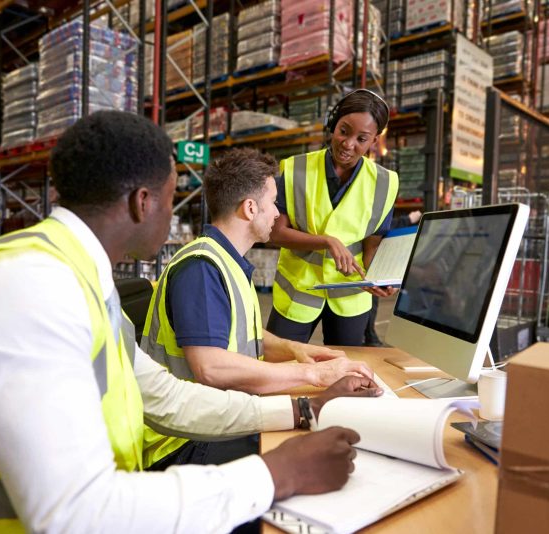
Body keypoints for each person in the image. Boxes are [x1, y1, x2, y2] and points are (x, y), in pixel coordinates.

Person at [0, 111, 383, 533]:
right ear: (142, 202)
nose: (175, 210)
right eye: (170, 196)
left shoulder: (82, 277)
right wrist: (274, 475)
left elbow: (164, 396)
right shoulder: (25, 287)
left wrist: (302, 409)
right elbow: (73, 513)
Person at [141, 147, 374, 467]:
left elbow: (242, 334)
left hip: (217, 421)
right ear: (250, 208)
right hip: (184, 442)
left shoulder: (225, 261)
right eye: (272, 203)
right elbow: (211, 367)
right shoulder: (201, 268)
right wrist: (313, 374)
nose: (278, 213)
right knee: (324, 448)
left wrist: (295, 350)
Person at [268, 89, 399, 346]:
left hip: (350, 295)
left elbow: (373, 239)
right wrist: (326, 241)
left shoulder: (386, 182)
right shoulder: (294, 168)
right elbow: (275, 233)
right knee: (276, 362)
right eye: (343, 131)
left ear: (374, 141)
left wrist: (377, 276)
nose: (349, 144)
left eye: (361, 138)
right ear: (333, 125)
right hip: (298, 290)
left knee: (345, 372)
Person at [362, 209, 422, 346]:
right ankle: (370, 336)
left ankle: (370, 335)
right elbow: (383, 226)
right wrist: (407, 220)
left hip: (371, 264)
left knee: (371, 301)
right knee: (371, 301)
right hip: (366, 265)